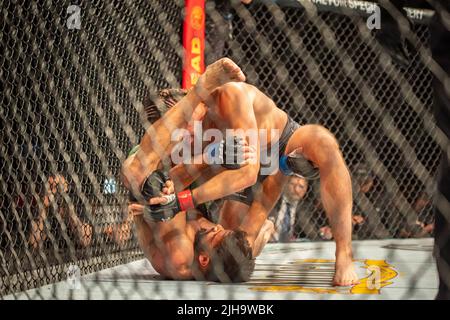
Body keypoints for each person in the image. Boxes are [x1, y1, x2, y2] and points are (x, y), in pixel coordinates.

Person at [136, 69, 359, 285]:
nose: (184, 131)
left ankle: (344, 253)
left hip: (278, 144)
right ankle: (265, 227)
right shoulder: (180, 143)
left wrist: (182, 201)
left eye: (184, 120)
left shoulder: (230, 94)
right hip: (233, 172)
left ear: (193, 102)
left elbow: (248, 173)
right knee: (235, 248)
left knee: (325, 145)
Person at [28, 174, 93, 251]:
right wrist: (42, 209)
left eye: (58, 187)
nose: (55, 192)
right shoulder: (43, 207)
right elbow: (34, 244)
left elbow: (85, 240)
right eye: (50, 187)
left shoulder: (76, 202)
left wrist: (71, 215)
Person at [269, 176, 308, 242]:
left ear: (306, 189)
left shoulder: (306, 208)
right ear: (286, 184)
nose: (296, 189)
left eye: (301, 186)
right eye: (292, 184)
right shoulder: (273, 200)